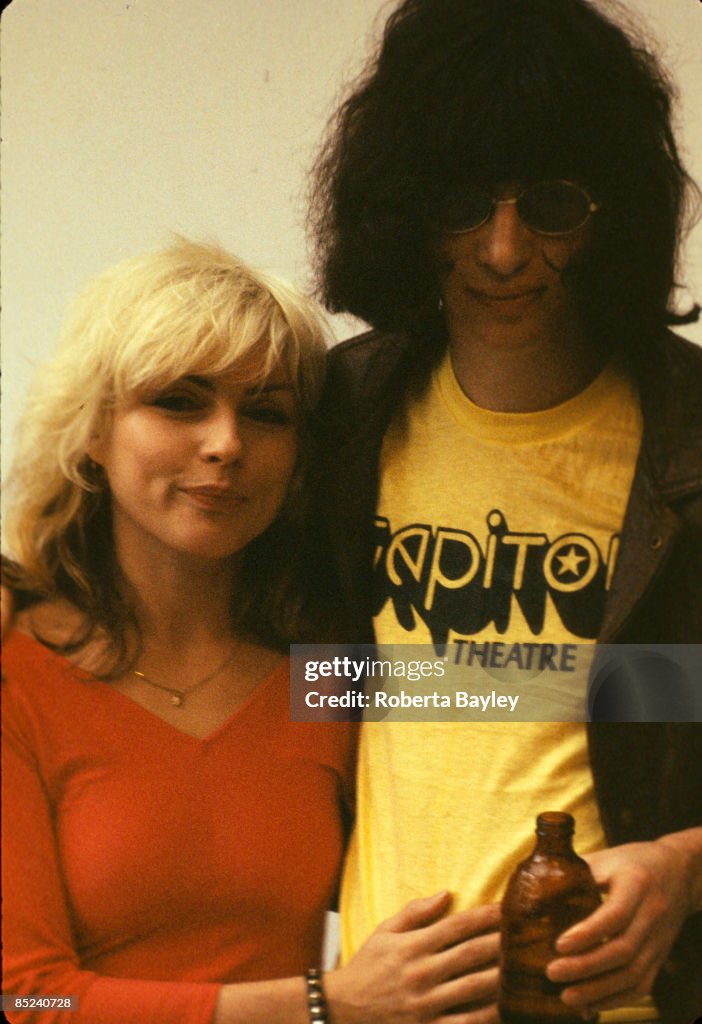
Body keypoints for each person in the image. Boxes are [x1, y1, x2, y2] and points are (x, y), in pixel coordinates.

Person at [309, 1, 702, 1022]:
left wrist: (685, 865)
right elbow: (200, 604)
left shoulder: (690, 439)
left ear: (613, 211)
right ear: (403, 208)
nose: (499, 249)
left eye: (554, 206)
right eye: (461, 202)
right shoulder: (341, 414)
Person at [1, 239, 502, 1024]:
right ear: (94, 432)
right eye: (179, 401)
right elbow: (24, 998)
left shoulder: (324, 672)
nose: (227, 444)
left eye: (267, 413)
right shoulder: (16, 674)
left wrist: (680, 855)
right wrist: (326, 1004)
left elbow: (565, 691)